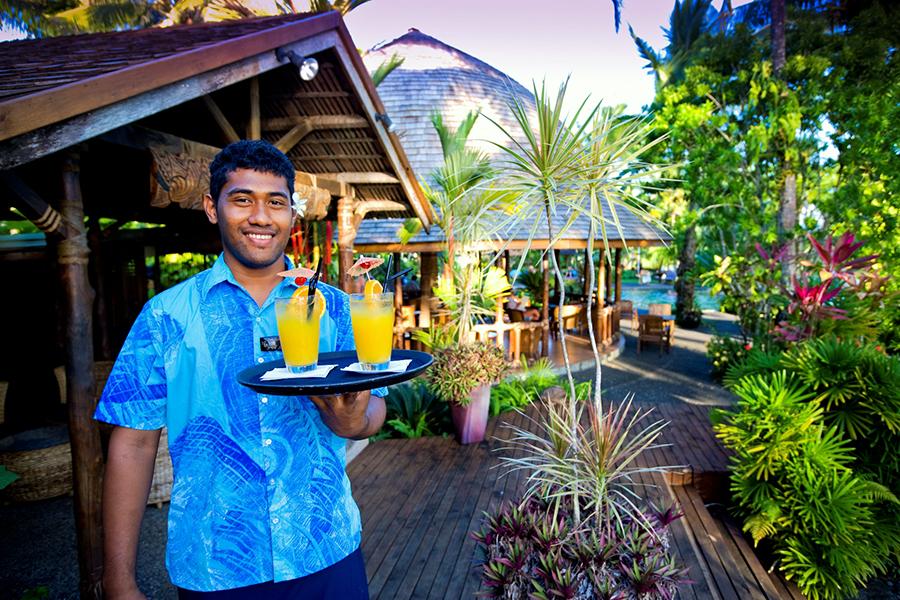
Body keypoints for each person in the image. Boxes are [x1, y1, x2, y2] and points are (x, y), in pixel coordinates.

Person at [95, 140, 386, 599]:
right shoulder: (165, 316)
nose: (261, 217)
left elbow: (374, 406)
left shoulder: (335, 308)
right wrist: (118, 579)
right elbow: (132, 445)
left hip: (325, 549)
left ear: (292, 213)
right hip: (215, 565)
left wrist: (356, 422)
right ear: (213, 208)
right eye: (243, 199)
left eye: (276, 202)